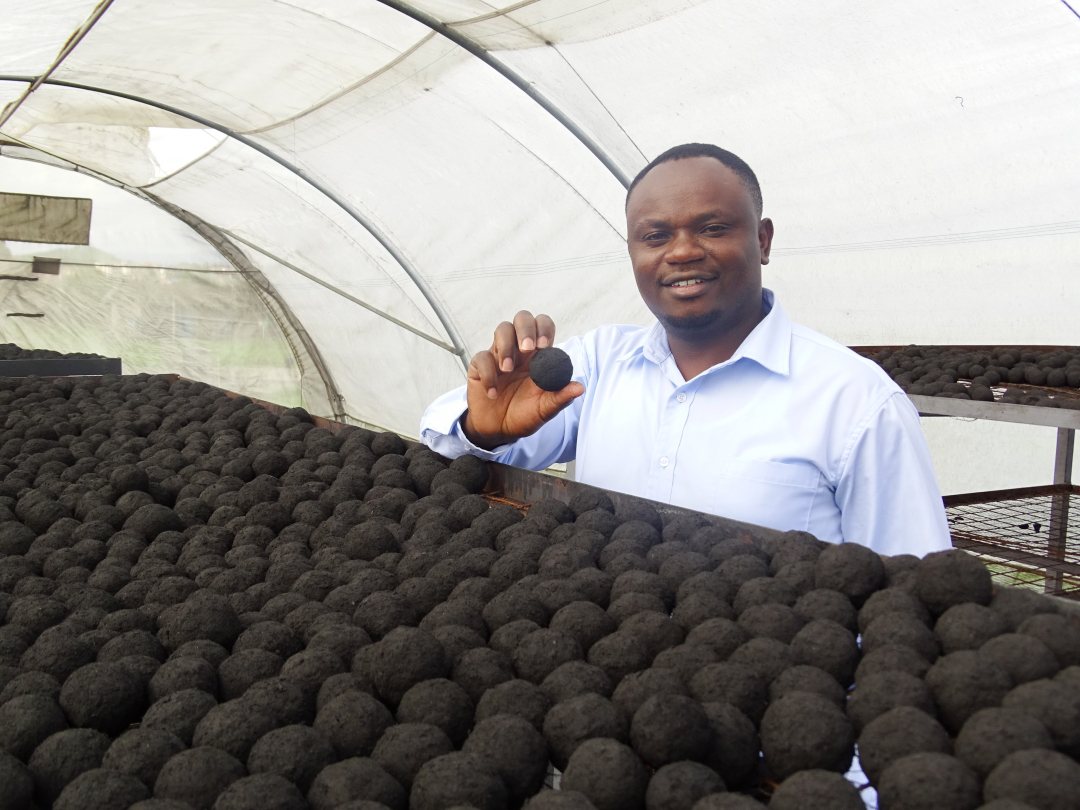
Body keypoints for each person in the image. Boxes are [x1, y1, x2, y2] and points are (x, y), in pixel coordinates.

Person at [421, 143, 951, 557]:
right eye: (654, 236)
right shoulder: (601, 363)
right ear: (632, 252)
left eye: (712, 228)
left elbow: (914, 593)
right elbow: (442, 448)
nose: (681, 252)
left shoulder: (857, 403)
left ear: (763, 241)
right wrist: (484, 428)